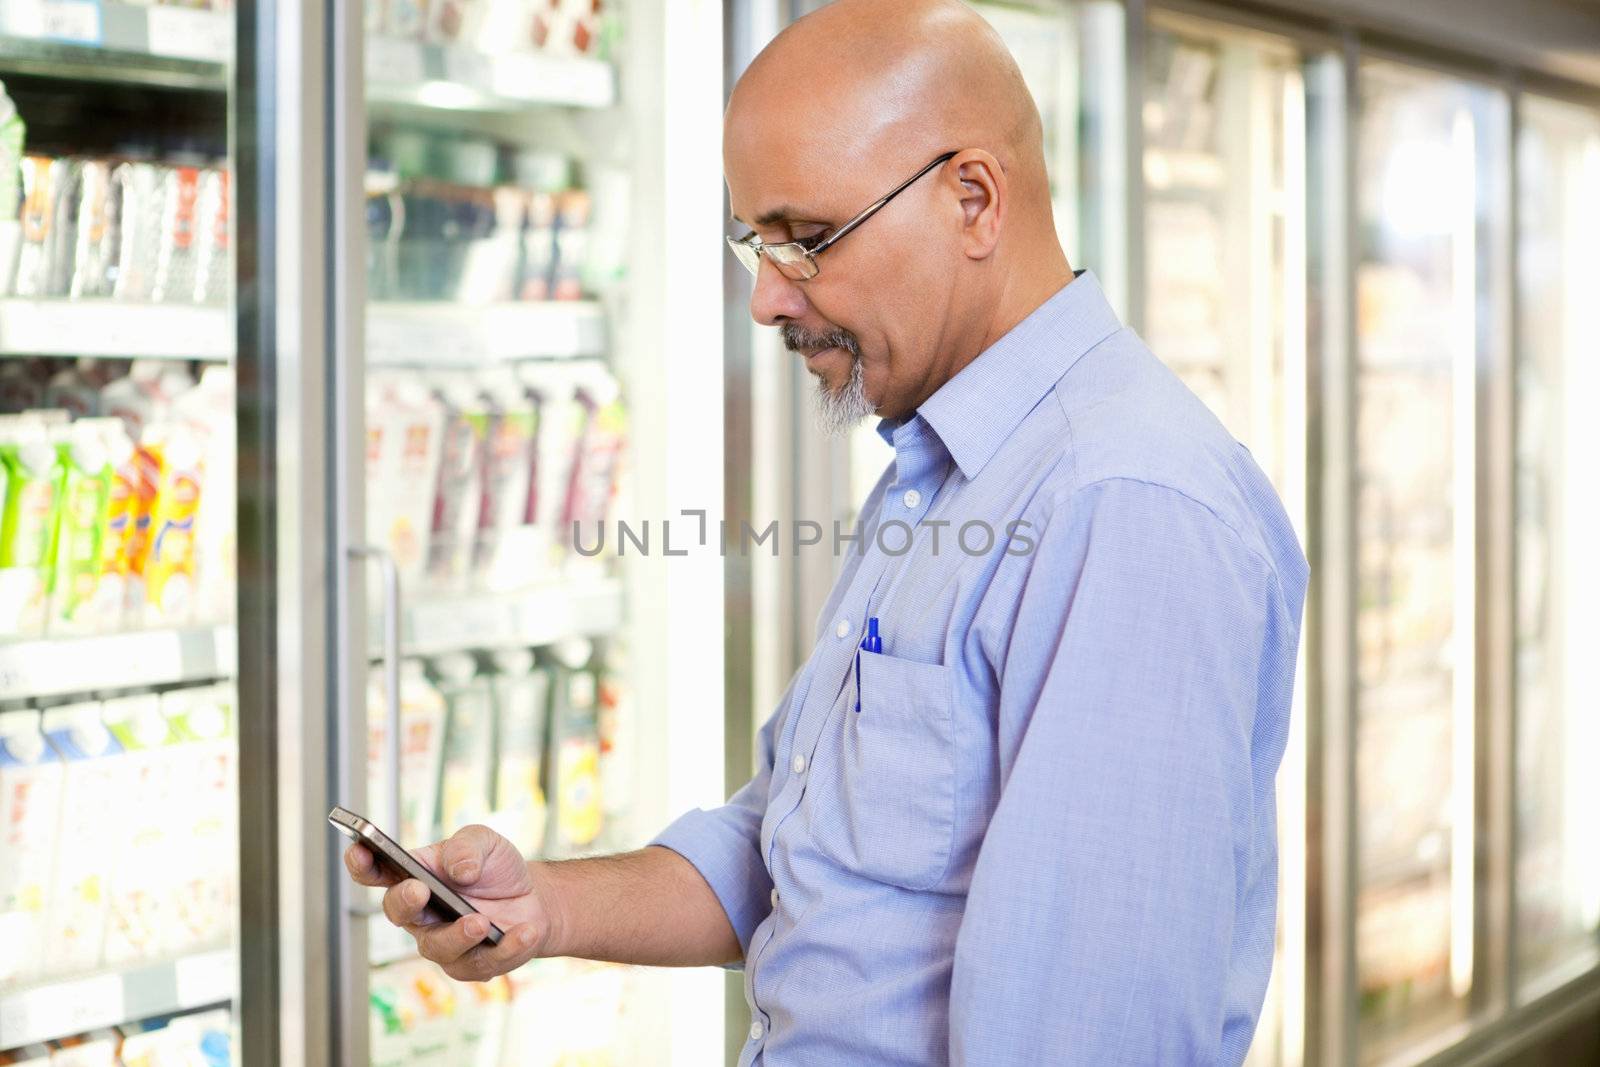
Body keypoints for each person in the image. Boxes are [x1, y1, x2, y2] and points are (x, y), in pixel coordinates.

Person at [344, 0, 1309, 1062]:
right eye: (755, 241)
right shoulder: (939, 473)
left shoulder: (1124, 506)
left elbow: (1087, 1028)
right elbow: (802, 852)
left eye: (806, 240)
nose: (764, 299)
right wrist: (543, 904)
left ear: (973, 199)